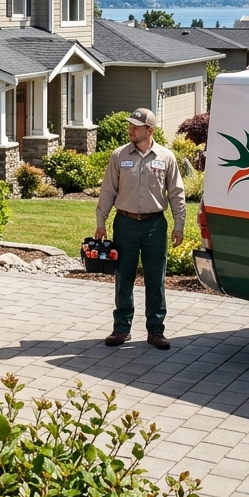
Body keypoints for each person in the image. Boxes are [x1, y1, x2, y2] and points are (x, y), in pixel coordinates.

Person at [94, 108, 186, 350]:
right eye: (130, 126)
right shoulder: (119, 155)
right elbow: (108, 191)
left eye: (136, 126)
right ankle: (121, 328)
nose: (131, 130)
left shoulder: (166, 157)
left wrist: (179, 224)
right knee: (123, 277)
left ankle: (156, 331)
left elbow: (176, 193)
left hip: (155, 226)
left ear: (150, 130)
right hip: (125, 224)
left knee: (156, 279)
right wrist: (101, 222)